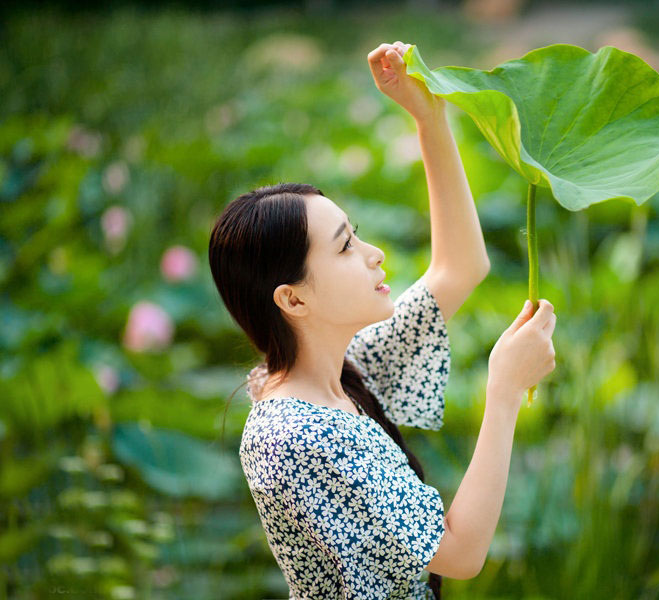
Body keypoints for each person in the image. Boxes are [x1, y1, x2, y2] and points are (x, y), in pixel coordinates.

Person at [207, 41, 557, 600]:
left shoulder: (343, 370)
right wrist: (505, 390)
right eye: (346, 248)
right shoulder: (295, 434)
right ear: (293, 301)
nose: (374, 254)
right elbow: (460, 553)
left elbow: (461, 267)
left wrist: (428, 118)